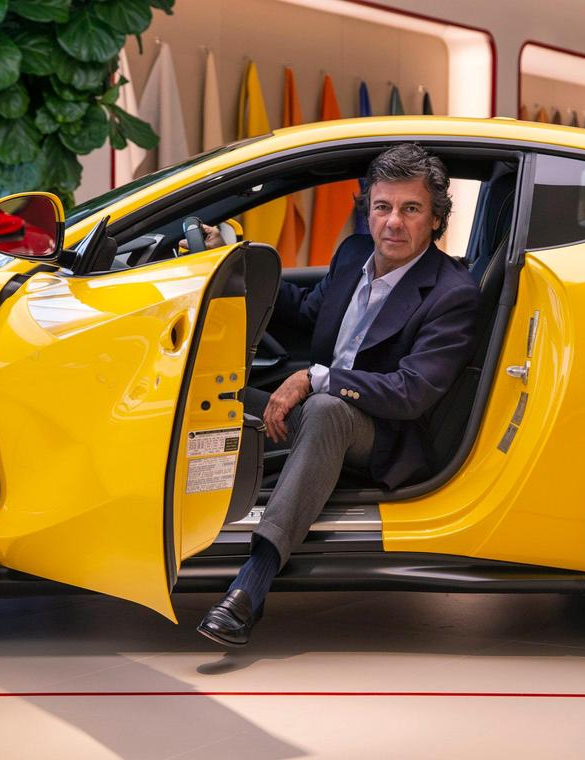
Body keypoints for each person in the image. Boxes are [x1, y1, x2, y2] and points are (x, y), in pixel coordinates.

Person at [196, 143, 481, 647]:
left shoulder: (451, 294)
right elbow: (306, 312)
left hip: (384, 434)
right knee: (216, 400)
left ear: (436, 220)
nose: (393, 222)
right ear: (368, 209)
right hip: (322, 411)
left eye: (411, 209)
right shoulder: (353, 255)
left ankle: (251, 583)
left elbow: (410, 393)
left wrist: (315, 378)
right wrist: (227, 257)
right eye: (382, 207)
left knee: (328, 409)